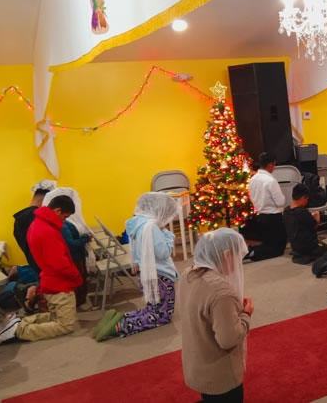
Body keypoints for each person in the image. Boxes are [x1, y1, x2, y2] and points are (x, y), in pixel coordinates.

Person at [0, 195, 82, 345]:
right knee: (66, 325)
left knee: (56, 317)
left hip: (50, 279)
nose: (64, 221)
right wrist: (76, 276)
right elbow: (59, 263)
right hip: (59, 283)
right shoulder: (47, 230)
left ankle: (19, 322)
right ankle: (18, 330)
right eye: (65, 217)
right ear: (58, 211)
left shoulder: (38, 224)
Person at [177, 228, 252, 403]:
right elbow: (229, 339)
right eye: (237, 256)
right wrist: (246, 314)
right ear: (227, 255)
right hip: (220, 374)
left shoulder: (188, 273)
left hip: (197, 362)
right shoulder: (221, 292)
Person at [93, 192, 180, 341]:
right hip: (161, 276)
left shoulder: (138, 223)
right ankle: (120, 326)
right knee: (162, 315)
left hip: (147, 273)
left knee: (152, 308)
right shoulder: (152, 228)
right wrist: (168, 235)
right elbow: (164, 252)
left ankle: (120, 317)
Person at [42, 188, 93, 307]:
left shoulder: (60, 222)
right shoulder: (63, 225)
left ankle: (78, 301)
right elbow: (70, 244)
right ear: (59, 210)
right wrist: (85, 238)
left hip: (75, 257)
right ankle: (78, 302)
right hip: (74, 257)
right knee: (78, 282)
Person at [246, 152, 287, 261]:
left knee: (269, 242)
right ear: (270, 165)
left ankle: (253, 250)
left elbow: (251, 197)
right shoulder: (270, 181)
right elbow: (280, 202)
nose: (274, 167)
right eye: (274, 164)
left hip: (261, 216)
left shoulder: (253, 179)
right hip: (274, 217)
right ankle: (254, 252)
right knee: (278, 248)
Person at [13, 180, 57, 275]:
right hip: (43, 268)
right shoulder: (34, 218)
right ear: (46, 199)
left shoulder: (21, 217)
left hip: (36, 265)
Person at [283, 183, 327, 264]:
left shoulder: (286, 211)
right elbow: (315, 225)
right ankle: (310, 256)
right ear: (303, 198)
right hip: (309, 246)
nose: (307, 201)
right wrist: (317, 214)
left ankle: (301, 255)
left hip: (295, 246)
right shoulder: (302, 212)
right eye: (307, 199)